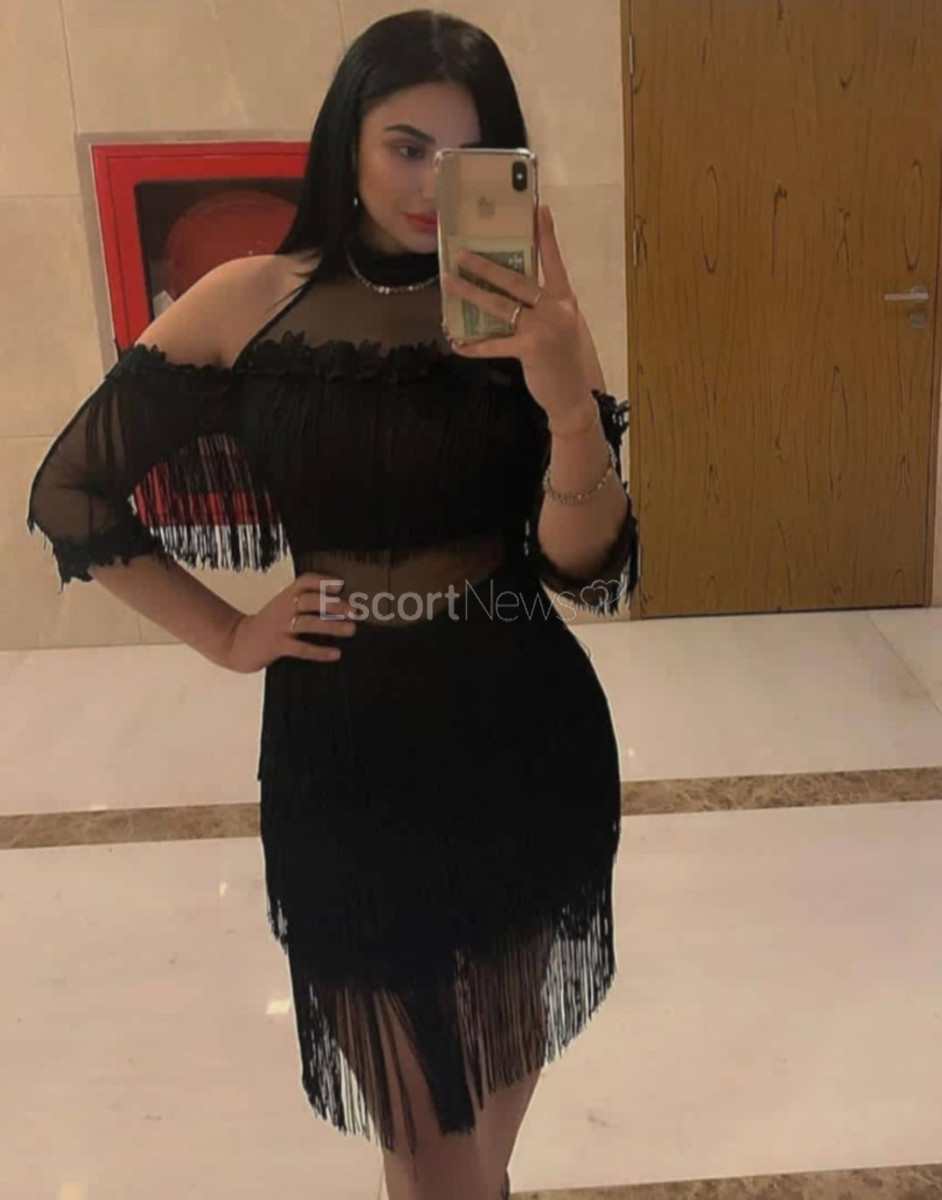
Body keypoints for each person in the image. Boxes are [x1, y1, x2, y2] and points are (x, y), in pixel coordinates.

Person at [25, 9, 640, 1200]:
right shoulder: (250, 303)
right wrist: (226, 632)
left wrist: (569, 403)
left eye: (467, 159)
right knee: (431, 1148)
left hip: (524, 734)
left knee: (481, 1123)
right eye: (406, 147)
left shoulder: (536, 317)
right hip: (346, 757)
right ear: (346, 143)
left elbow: (588, 566)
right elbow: (70, 490)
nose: (430, 186)